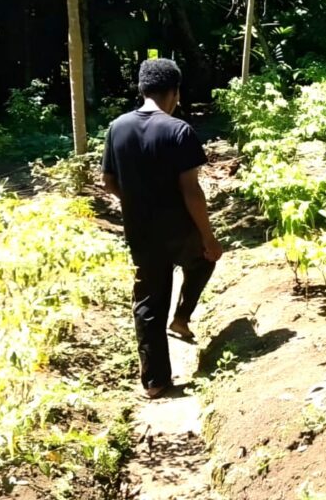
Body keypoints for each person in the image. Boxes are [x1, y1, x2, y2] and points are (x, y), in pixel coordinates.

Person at [101, 58, 223, 399]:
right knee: (205, 259)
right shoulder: (179, 130)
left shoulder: (117, 128)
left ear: (141, 89)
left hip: (141, 230)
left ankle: (155, 382)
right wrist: (208, 236)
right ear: (175, 93)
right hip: (179, 228)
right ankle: (182, 317)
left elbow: (108, 181)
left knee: (149, 301)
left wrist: (135, 200)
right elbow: (191, 191)